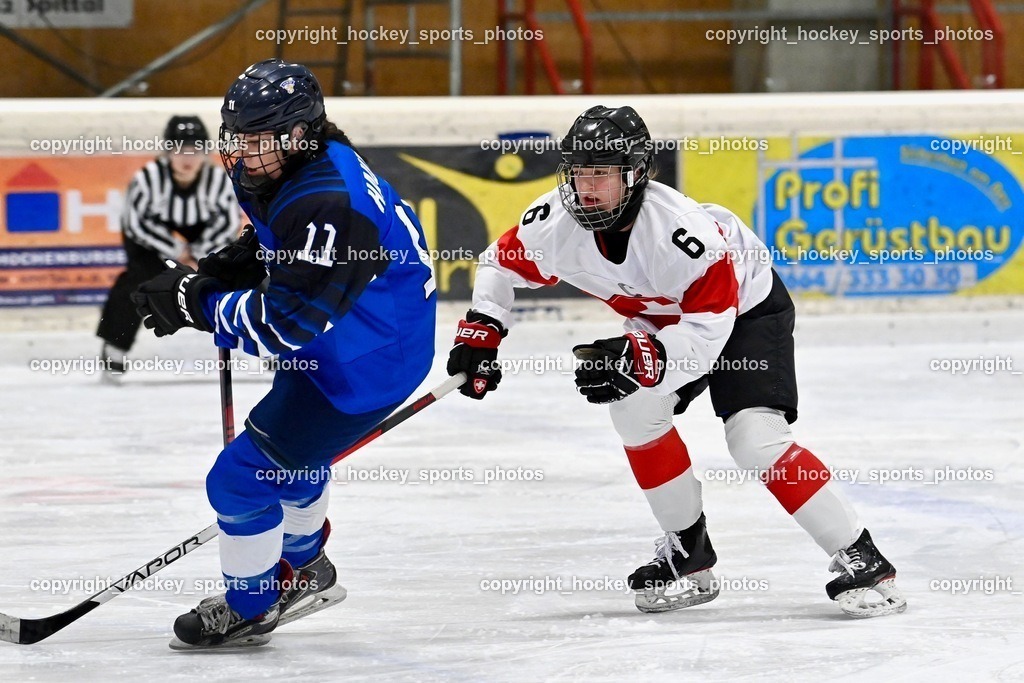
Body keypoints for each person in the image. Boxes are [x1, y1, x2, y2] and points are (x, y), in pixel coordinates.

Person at [447, 105, 906, 618]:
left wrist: (635, 356)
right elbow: (498, 265)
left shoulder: (683, 235)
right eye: (578, 171)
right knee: (633, 411)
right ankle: (689, 554)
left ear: (636, 173)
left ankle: (862, 559)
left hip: (744, 313)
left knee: (754, 438)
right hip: (662, 320)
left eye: (601, 172)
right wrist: (483, 329)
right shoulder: (553, 222)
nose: (586, 186)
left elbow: (707, 342)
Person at [130, 59, 437, 649]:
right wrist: (226, 267)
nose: (242, 154)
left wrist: (198, 306)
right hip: (343, 343)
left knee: (240, 483)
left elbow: (284, 324)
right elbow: (282, 239)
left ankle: (252, 605)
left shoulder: (331, 199)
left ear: (298, 134)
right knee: (290, 461)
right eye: (237, 139)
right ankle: (304, 567)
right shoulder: (292, 165)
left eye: (257, 141)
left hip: (366, 363)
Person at [96, 115, 239, 377]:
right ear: (167, 151)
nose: (187, 158)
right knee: (135, 281)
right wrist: (176, 252)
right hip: (152, 244)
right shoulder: (148, 179)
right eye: (179, 149)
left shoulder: (218, 182)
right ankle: (115, 346)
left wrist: (198, 255)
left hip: (203, 244)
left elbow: (227, 223)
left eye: (195, 150)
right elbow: (135, 223)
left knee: (245, 272)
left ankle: (272, 345)